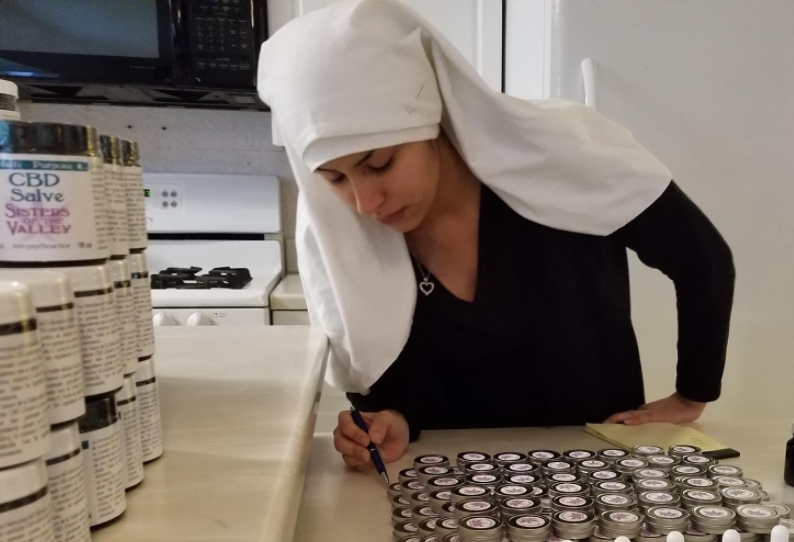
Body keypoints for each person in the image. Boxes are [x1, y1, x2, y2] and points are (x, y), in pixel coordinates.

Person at [259, 0, 735, 472]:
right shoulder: (339, 237)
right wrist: (392, 424)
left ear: (427, 122)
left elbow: (702, 259)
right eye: (335, 179)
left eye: (379, 165)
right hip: (455, 487)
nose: (365, 203)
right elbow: (385, 388)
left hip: (595, 471)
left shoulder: (557, 158)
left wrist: (692, 394)